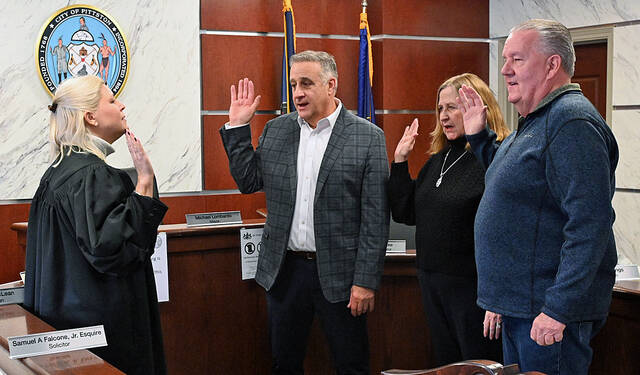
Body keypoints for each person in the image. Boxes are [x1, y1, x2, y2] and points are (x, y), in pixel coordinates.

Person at [458, 19, 619, 375]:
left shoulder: (571, 123)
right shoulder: (534, 121)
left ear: (552, 65)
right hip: (523, 309)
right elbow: (515, 183)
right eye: (505, 60)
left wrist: (558, 309)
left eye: (517, 59)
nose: (505, 70)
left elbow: (589, 225)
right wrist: (480, 138)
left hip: (546, 317)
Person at [219, 50, 389, 374]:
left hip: (341, 277)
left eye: (307, 83)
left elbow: (375, 218)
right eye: (294, 83)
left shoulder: (367, 138)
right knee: (286, 363)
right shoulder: (277, 130)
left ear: (331, 85)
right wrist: (238, 127)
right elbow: (248, 181)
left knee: (351, 363)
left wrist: (366, 281)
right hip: (285, 273)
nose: (297, 92)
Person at [24, 75, 168, 375]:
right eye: (113, 101)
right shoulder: (92, 175)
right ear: (90, 116)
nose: (122, 106)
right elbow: (114, 252)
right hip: (100, 338)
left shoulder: (57, 172)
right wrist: (144, 185)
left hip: (63, 328)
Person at [388, 73, 509, 367]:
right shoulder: (438, 160)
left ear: (479, 107)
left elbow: (505, 229)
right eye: (440, 108)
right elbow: (406, 213)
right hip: (432, 282)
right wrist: (400, 162)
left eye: (453, 107)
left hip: (473, 289)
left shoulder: (493, 157)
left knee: (477, 365)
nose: (444, 115)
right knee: (448, 364)